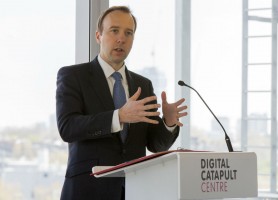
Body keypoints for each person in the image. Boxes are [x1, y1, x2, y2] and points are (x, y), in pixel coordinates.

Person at [56, 5, 188, 200]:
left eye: (129, 33)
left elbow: (155, 145)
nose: (121, 39)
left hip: (134, 191)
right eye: (114, 31)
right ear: (98, 36)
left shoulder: (143, 85)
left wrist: (168, 123)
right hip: (87, 189)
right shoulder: (73, 76)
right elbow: (67, 128)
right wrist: (119, 117)